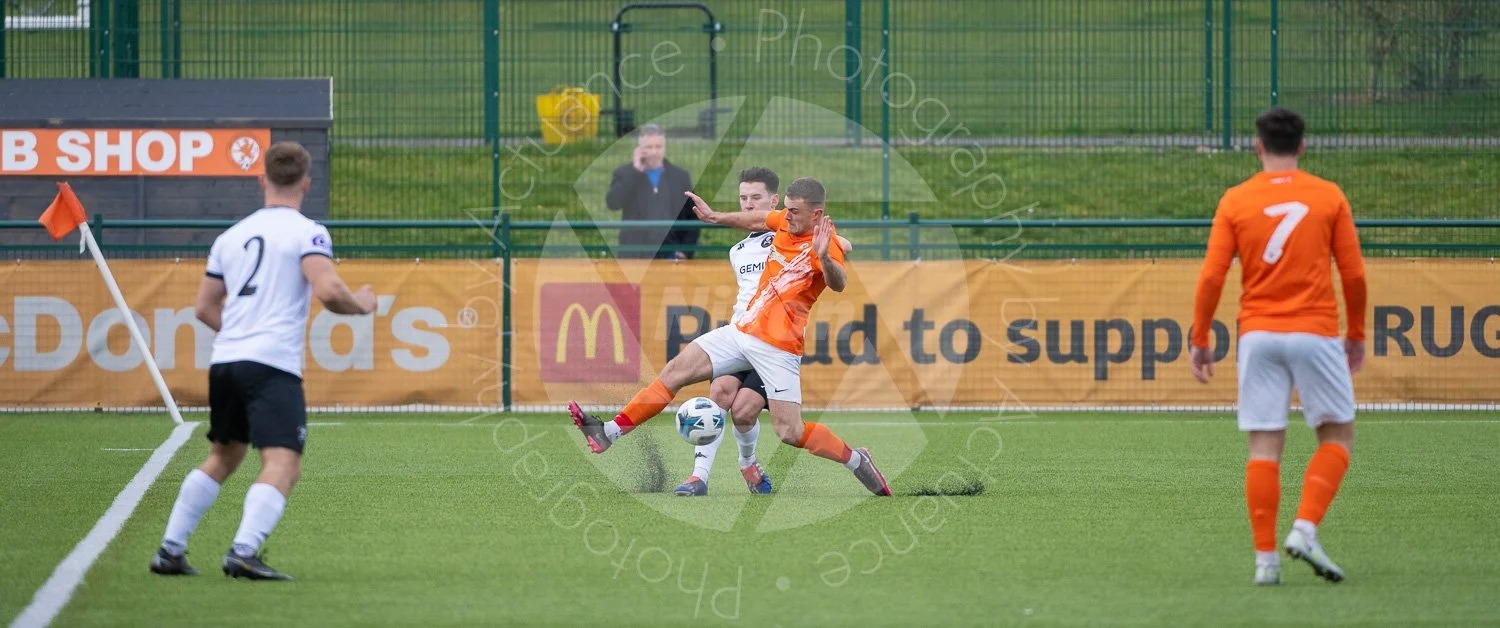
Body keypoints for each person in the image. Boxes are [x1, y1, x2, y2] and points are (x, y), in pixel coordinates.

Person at [570, 177, 890, 497]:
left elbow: (839, 283)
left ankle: (856, 459)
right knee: (675, 371)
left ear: (817, 215)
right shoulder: (783, 221)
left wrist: (824, 257)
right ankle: (608, 432)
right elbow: (757, 218)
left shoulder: (826, 243)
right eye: (786, 210)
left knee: (790, 431)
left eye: (794, 211)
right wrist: (715, 217)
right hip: (741, 330)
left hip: (778, 348)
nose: (786, 215)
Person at [148, 142, 377, 581]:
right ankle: (244, 551)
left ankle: (171, 550)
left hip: (227, 361)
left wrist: (240, 335)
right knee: (283, 462)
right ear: (306, 183)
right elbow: (328, 292)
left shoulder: (230, 237)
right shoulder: (307, 231)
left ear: (262, 181)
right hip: (270, 365)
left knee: (223, 456)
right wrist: (362, 304)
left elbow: (203, 308)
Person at [1190, 107, 1367, 586]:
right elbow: (1353, 273)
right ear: (1303, 147)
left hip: (1259, 334)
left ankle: (1265, 562)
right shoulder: (1328, 196)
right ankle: (1305, 529)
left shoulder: (1236, 200)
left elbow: (1211, 275)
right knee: (1337, 435)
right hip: (1314, 331)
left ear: (1258, 146)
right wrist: (1356, 334)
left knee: (1264, 446)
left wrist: (1200, 337)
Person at [672, 167, 853, 497]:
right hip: (741, 334)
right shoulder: (737, 251)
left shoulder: (786, 229)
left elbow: (827, 246)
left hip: (773, 343)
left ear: (774, 202)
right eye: (743, 198)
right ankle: (698, 477)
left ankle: (747, 462)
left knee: (743, 411)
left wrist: (837, 245)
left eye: (756, 198)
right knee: (720, 396)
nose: (748, 205)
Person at [605, 124, 699, 260]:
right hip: (634, 254)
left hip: (669, 252)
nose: (654, 152)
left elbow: (693, 215)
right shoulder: (624, 173)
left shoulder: (680, 177)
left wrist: (685, 250)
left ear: (664, 147)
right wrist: (635, 171)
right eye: (649, 147)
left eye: (658, 146)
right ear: (639, 149)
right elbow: (613, 203)